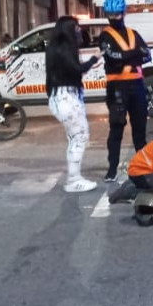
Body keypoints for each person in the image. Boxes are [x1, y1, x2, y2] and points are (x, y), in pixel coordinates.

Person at [45, 16, 102, 193]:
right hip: (66, 98)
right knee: (80, 136)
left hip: (62, 97)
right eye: (76, 28)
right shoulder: (64, 48)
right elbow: (77, 70)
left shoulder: (56, 47)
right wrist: (94, 59)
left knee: (75, 137)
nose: (79, 31)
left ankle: (74, 178)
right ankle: (74, 180)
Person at [100, 0, 151, 182]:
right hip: (117, 88)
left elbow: (147, 55)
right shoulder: (105, 36)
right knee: (116, 129)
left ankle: (143, 165)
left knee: (140, 129)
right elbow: (112, 59)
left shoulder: (133, 33)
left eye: (117, 14)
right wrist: (135, 54)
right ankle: (112, 168)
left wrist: (125, 57)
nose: (114, 18)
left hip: (137, 86)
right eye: (110, 14)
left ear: (124, 13)